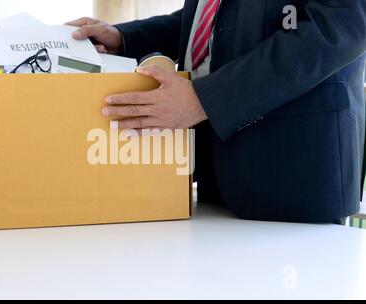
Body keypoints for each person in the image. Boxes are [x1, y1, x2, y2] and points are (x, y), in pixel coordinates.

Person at [67, 0, 366, 224]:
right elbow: (206, 21)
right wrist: (125, 37)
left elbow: (340, 26)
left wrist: (205, 99)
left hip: (294, 175)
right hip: (216, 178)